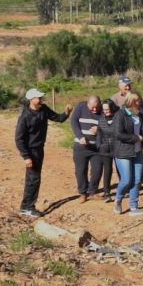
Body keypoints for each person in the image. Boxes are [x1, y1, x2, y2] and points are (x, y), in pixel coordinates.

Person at [14, 88, 71, 218]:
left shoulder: (44, 109)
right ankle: (27, 207)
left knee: (34, 178)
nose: (41, 100)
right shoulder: (25, 117)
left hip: (40, 150)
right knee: (33, 179)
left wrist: (67, 113)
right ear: (31, 100)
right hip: (31, 151)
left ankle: (27, 206)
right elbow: (19, 139)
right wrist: (26, 157)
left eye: (41, 98)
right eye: (38, 98)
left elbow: (58, 118)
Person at [114, 93, 143, 216]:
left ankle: (134, 207)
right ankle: (118, 199)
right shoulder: (120, 115)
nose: (140, 103)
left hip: (137, 150)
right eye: (138, 101)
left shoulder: (138, 114)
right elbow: (118, 134)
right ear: (132, 102)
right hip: (123, 151)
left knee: (137, 179)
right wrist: (135, 138)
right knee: (126, 180)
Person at [70, 95, 106, 202]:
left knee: (97, 170)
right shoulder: (80, 107)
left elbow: (109, 126)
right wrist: (80, 136)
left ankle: (93, 191)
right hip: (81, 146)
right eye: (92, 107)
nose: (95, 110)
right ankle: (82, 193)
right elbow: (74, 122)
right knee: (80, 171)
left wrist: (99, 130)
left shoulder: (103, 111)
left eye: (97, 107)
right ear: (88, 104)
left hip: (96, 147)